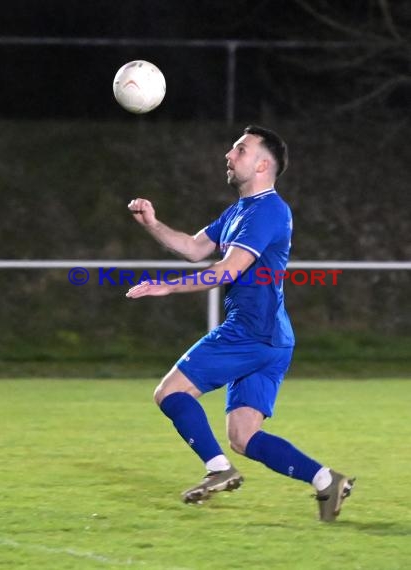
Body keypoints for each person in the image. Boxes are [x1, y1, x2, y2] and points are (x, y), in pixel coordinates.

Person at [126, 125, 354, 522]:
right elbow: (195, 248)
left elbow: (226, 269)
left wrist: (167, 288)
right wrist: (152, 223)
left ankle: (217, 470)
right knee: (244, 437)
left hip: (250, 331)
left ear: (263, 164)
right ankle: (325, 481)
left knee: (169, 392)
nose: (229, 156)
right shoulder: (238, 212)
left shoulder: (269, 210)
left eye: (240, 150)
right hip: (273, 337)